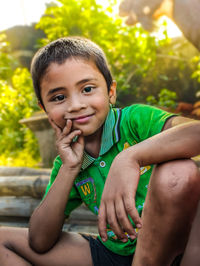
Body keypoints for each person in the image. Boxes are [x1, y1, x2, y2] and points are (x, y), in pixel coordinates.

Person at [0, 36, 200, 266]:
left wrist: (130, 157)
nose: (75, 105)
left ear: (111, 91)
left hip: (174, 250)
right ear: (45, 108)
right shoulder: (68, 159)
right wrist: (69, 168)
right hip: (116, 254)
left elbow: (195, 133)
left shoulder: (134, 121)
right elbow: (39, 241)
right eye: (59, 97)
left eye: (87, 89)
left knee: (178, 172)